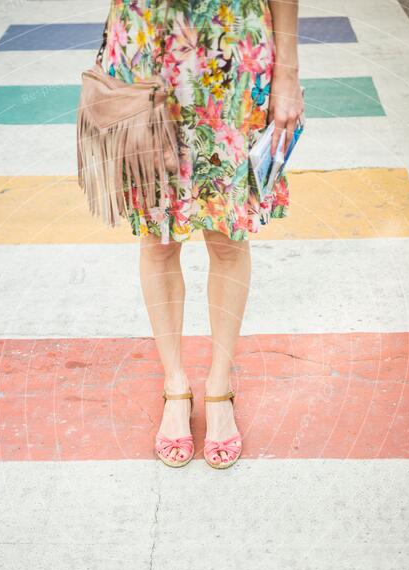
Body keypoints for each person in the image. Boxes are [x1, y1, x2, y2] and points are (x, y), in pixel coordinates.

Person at [99, 0, 304, 468]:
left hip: (231, 51)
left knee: (228, 235)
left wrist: (287, 72)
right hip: (146, 55)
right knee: (157, 236)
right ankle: (175, 385)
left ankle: (218, 386)